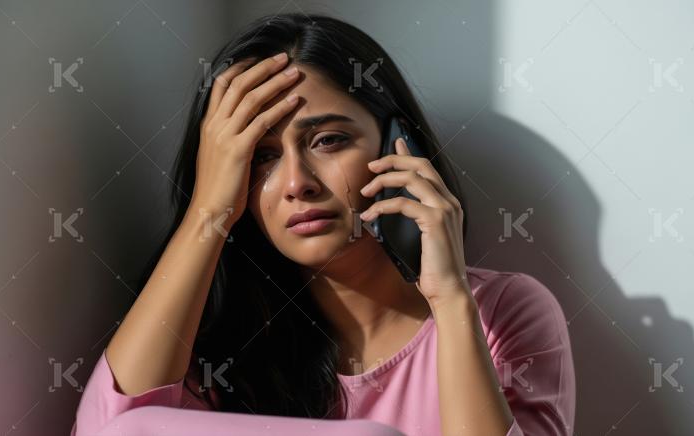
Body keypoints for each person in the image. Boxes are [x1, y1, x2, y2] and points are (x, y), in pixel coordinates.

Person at [71, 12, 575, 436]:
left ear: (400, 146)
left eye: (328, 140)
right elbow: (112, 431)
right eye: (261, 156)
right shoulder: (215, 339)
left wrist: (450, 299)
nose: (297, 183)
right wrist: (209, 210)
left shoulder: (502, 314)